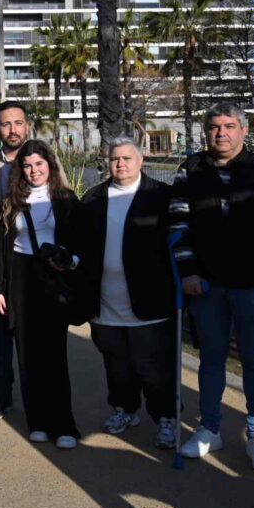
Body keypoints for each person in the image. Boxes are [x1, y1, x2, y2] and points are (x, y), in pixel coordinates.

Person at [170, 103, 254, 473]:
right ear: (206, 131)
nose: (222, 133)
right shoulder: (191, 170)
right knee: (211, 358)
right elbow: (177, 224)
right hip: (206, 285)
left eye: (229, 126)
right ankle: (210, 429)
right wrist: (188, 271)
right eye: (214, 126)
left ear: (244, 129)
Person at [82, 135, 178, 449]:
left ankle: (166, 418)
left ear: (141, 160)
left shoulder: (161, 196)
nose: (120, 164)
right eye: (114, 159)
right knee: (117, 365)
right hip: (105, 301)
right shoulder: (94, 197)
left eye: (127, 158)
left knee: (152, 367)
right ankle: (125, 410)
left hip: (149, 302)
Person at [0, 101, 70, 421]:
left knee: (41, 338)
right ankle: (1, 395)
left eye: (18, 122)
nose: (12, 129)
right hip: (2, 265)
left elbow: (64, 205)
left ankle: (47, 402)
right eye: (6, 124)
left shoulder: (45, 161)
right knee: (1, 334)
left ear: (26, 125)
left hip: (43, 267)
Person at [0, 140, 82, 448]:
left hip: (51, 276)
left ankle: (64, 425)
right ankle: (37, 421)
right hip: (19, 277)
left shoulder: (65, 199)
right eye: (27, 165)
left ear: (49, 165)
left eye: (39, 164)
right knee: (27, 353)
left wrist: (71, 260)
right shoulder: (10, 201)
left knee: (54, 353)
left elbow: (81, 241)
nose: (33, 170)